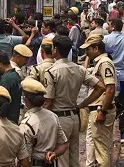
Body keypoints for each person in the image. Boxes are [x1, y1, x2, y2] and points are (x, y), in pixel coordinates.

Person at [44, 35, 104, 167]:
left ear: (55, 50)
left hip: (59, 118)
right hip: (74, 117)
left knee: (61, 159)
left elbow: (49, 101)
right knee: (74, 157)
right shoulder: (79, 69)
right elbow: (100, 87)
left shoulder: (51, 71)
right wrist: (82, 104)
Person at [79, 33, 117, 167]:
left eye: (88, 49)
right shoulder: (99, 63)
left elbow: (110, 89)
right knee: (99, 146)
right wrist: (84, 104)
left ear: (96, 48)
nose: (86, 53)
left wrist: (103, 111)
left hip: (101, 109)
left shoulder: (104, 63)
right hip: (97, 109)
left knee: (102, 150)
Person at [20, 78, 69, 166]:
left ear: (25, 99)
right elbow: (63, 145)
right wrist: (54, 154)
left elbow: (25, 160)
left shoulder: (26, 124)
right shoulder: (52, 116)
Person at [103, 18, 124, 144]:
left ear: (113, 26)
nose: (107, 27)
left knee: (105, 102)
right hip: (121, 76)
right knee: (122, 104)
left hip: (107, 74)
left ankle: (105, 130)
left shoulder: (105, 39)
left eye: (109, 25)